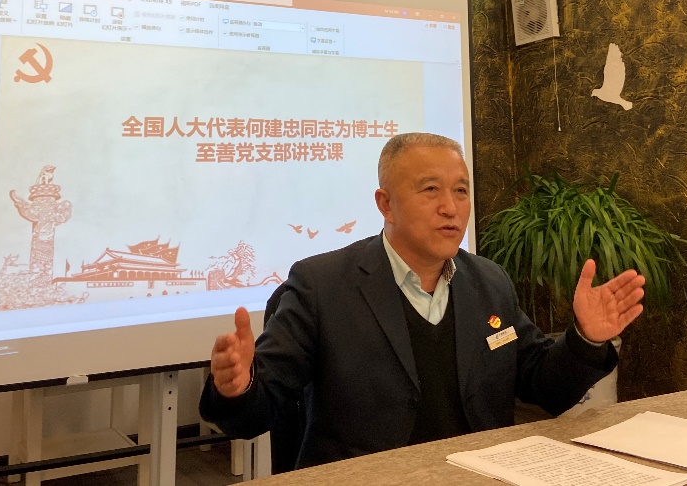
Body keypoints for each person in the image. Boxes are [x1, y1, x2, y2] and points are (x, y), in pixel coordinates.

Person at [199, 132, 645, 469]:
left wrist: (585, 339)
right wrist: (236, 388)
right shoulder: (322, 285)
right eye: (431, 189)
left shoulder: (489, 281)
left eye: (461, 190)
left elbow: (543, 386)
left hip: (477, 475)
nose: (451, 207)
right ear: (386, 204)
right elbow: (259, 411)